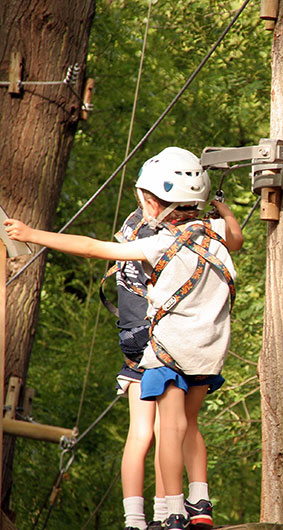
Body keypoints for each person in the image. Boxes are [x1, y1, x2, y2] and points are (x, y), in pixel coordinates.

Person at [5, 147, 244, 530]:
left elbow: (94, 248)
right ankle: (201, 506)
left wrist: (34, 235)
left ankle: (174, 511)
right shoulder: (214, 238)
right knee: (191, 425)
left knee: (170, 430)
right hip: (208, 352)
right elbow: (237, 239)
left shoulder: (159, 244)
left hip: (167, 354)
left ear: (155, 205)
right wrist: (223, 208)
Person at [106, 206, 165, 530]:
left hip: (132, 337)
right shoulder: (167, 228)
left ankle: (134, 519)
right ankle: (162, 512)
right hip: (159, 335)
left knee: (140, 433)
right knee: (165, 430)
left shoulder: (131, 223)